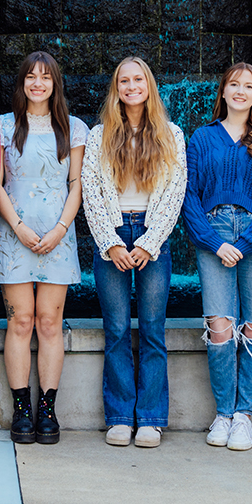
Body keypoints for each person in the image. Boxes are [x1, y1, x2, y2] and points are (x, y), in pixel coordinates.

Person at [182, 62, 252, 452]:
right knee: (220, 326)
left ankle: (245, 415)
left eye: (249, 86)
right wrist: (214, 241)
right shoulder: (202, 137)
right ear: (224, 91)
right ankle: (223, 414)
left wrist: (245, 243)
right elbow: (189, 195)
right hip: (214, 236)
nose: (241, 91)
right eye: (234, 84)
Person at [82, 57, 187, 448]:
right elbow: (90, 190)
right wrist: (110, 241)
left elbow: (176, 190)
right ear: (116, 88)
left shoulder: (171, 134)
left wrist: (148, 241)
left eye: (137, 79)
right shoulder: (99, 135)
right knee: (116, 329)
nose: (131, 86)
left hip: (151, 234)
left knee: (153, 331)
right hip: (110, 232)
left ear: (149, 85)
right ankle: (121, 416)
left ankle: (152, 418)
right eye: (123, 81)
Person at [0, 51, 88, 445]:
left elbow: (76, 183)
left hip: (58, 236)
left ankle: (48, 408)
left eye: (45, 77)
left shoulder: (74, 128)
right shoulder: (2, 127)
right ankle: (21, 408)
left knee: (49, 322)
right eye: (31, 77)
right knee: (21, 321)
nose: (38, 84)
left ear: (55, 84)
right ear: (22, 83)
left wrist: (62, 228)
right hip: (15, 235)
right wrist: (18, 226)